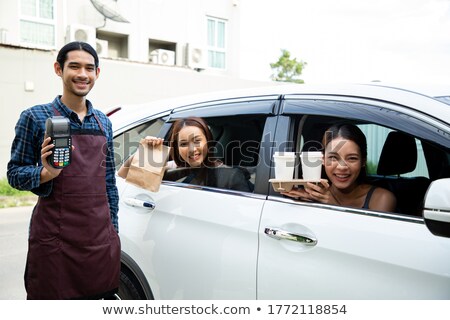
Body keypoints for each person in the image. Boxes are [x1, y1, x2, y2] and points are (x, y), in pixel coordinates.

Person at [7, 42, 120, 299]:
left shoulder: (103, 121)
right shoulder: (35, 117)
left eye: (89, 68)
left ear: (97, 73)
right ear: (59, 69)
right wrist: (45, 174)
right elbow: (14, 174)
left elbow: (108, 183)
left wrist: (112, 230)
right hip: (54, 243)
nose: (83, 74)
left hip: (98, 242)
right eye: (74, 66)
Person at [282, 123, 397, 212]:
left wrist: (332, 204)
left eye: (352, 158)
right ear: (322, 159)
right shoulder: (313, 197)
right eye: (333, 157)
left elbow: (369, 240)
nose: (342, 167)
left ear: (363, 161)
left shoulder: (382, 198)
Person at [118, 117, 253, 192]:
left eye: (197, 141)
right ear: (176, 147)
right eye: (183, 144)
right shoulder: (174, 167)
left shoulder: (231, 175)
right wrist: (142, 153)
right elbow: (122, 176)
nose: (192, 149)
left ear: (208, 139)